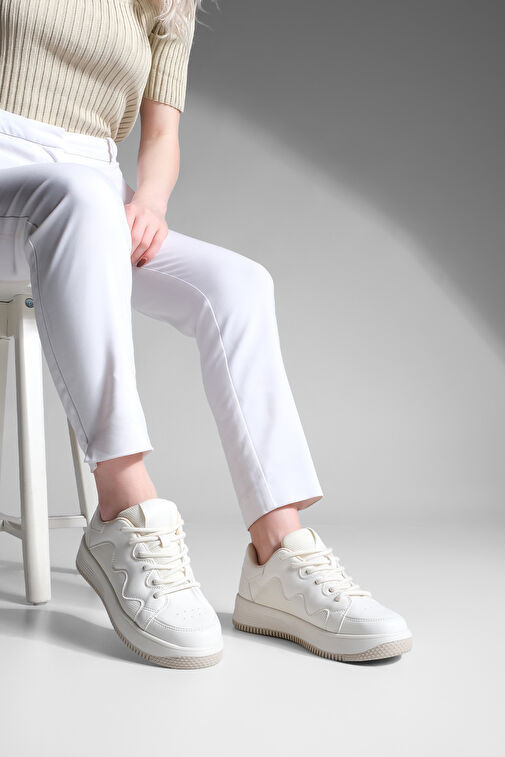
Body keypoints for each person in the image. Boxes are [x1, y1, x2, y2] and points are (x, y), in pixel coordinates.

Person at [0, 0, 412, 668]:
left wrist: (149, 202)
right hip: (13, 178)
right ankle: (123, 504)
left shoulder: (167, 4)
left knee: (239, 284)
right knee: (77, 194)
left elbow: (161, 134)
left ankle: (277, 552)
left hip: (96, 192)